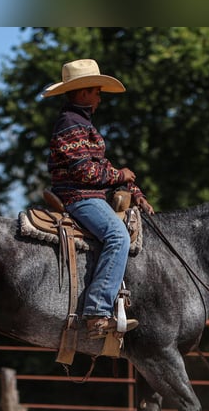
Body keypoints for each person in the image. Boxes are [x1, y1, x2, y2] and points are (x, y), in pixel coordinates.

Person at [42, 59, 155, 340]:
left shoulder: (81, 124)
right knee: (118, 236)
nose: (99, 97)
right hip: (79, 197)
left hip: (91, 195)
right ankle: (96, 312)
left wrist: (135, 192)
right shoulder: (71, 124)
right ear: (82, 94)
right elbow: (85, 170)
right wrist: (120, 175)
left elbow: (99, 166)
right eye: (96, 91)